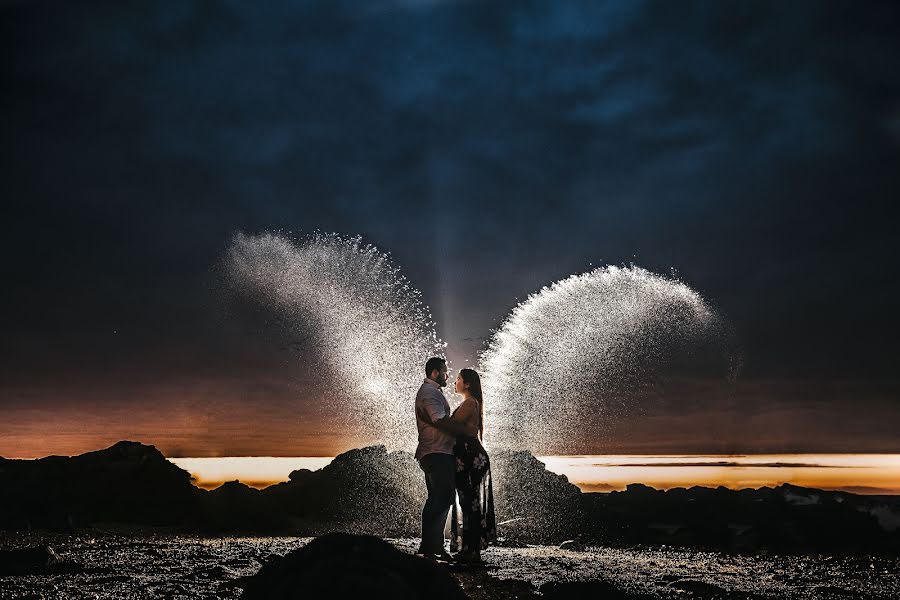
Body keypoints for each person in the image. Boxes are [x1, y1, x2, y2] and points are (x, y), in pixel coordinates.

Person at [430, 368, 497, 564]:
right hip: (468, 456)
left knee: (470, 503)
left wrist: (429, 420)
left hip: (470, 456)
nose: (455, 382)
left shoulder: (469, 403)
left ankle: (472, 551)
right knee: (468, 503)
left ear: (467, 384)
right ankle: (469, 549)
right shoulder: (471, 402)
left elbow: (451, 426)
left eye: (458, 379)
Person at [414, 356, 456, 560]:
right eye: (444, 371)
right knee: (443, 498)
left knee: (435, 499)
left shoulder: (431, 392)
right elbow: (438, 420)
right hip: (437, 452)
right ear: (434, 373)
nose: (448, 375)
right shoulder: (430, 393)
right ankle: (434, 546)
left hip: (433, 452)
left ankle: (429, 545)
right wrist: (461, 431)